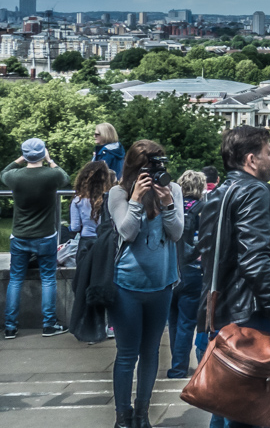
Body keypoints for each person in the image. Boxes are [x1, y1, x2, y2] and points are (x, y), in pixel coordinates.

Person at [196, 125, 270, 428]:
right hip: (250, 314)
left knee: (226, 403)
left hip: (225, 310)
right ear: (251, 159)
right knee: (249, 411)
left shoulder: (221, 191)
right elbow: (255, 262)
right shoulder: (255, 192)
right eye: (268, 153)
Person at [109, 140, 184, 428]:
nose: (154, 173)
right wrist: (136, 200)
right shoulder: (118, 192)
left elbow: (177, 233)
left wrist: (167, 203)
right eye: (149, 167)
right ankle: (123, 417)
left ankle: (142, 415)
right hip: (126, 285)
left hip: (161, 284)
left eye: (159, 165)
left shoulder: (172, 189)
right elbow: (126, 232)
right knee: (127, 354)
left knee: (151, 352)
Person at [3, 138, 71, 339]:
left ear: (25, 155)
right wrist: (49, 160)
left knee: (15, 280)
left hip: (20, 235)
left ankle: (10, 327)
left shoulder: (15, 176)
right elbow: (65, 176)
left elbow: (3, 173)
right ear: (43, 153)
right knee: (48, 279)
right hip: (45, 236)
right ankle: (49, 325)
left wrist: (19, 159)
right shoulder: (51, 176)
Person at [166, 170, 207, 378]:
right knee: (186, 322)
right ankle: (179, 367)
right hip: (192, 272)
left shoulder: (172, 208)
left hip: (170, 270)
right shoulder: (203, 209)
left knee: (173, 321)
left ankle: (177, 364)